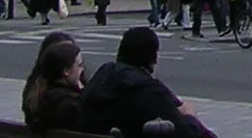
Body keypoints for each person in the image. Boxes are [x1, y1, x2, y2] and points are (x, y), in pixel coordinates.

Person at [78, 26, 216, 138]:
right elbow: (186, 132)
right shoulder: (149, 90)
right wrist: (189, 116)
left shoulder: (103, 76)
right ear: (153, 58)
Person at [21, 31, 85, 135]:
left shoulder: (37, 95)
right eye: (79, 64)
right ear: (66, 70)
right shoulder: (70, 104)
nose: (82, 69)